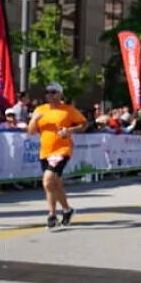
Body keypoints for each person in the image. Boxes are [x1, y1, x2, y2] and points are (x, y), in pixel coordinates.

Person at [27, 82, 87, 230]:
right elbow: (31, 132)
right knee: (55, 183)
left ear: (60, 94)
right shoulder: (40, 110)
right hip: (45, 151)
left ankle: (51, 215)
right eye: (47, 92)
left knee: (48, 180)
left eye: (53, 92)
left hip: (62, 150)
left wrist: (69, 130)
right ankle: (67, 209)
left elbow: (84, 124)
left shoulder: (68, 110)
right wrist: (34, 120)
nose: (50, 95)